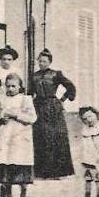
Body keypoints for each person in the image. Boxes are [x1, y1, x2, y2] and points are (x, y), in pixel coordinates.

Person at [0, 72, 38, 197]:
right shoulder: (1, 100)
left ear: (19, 87)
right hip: (5, 137)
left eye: (13, 86)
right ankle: (7, 196)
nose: (10, 89)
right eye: (8, 86)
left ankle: (23, 196)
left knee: (21, 165)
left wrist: (15, 115)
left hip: (20, 138)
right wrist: (0, 119)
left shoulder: (26, 99)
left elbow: (32, 118)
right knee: (6, 165)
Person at [31, 49, 76, 179]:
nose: (42, 63)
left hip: (52, 108)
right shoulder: (34, 76)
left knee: (55, 137)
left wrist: (62, 100)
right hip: (38, 106)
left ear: (50, 62)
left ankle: (57, 172)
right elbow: (29, 92)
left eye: (45, 61)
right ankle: (41, 171)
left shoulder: (56, 74)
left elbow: (70, 87)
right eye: (40, 61)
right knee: (40, 137)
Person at [76, 106, 99, 197]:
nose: (89, 120)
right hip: (86, 159)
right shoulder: (85, 129)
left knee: (97, 179)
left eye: (90, 116)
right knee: (87, 179)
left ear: (96, 115)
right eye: (85, 118)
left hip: (96, 159)